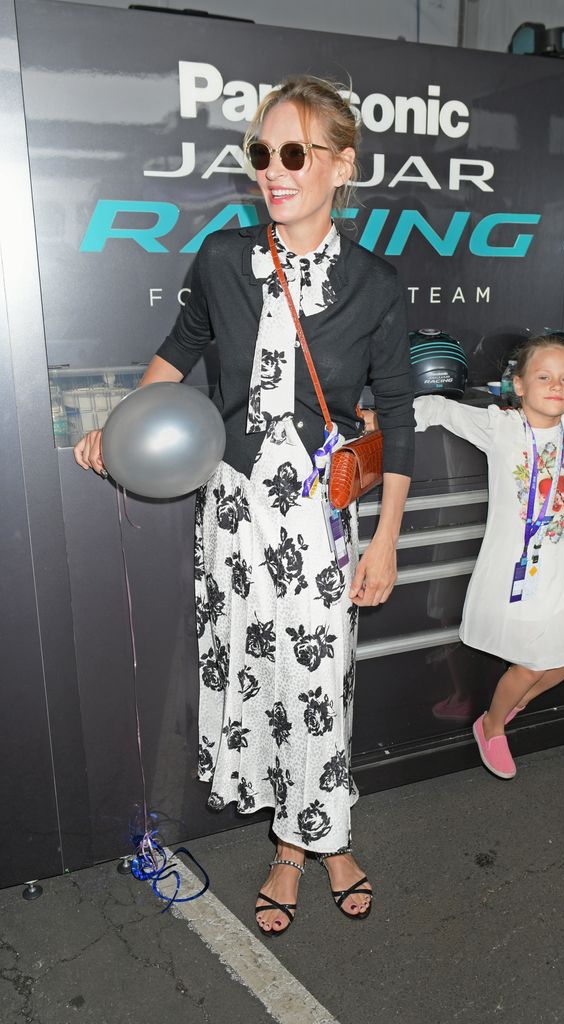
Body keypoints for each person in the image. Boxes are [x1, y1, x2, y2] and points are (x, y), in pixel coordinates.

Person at [74, 75, 414, 935]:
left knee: (317, 683)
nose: (273, 169)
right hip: (230, 511)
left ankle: (325, 837)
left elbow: (399, 419)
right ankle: (288, 845)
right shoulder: (224, 258)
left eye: (293, 152)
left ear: (341, 166)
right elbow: (177, 352)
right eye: (261, 152)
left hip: (312, 513)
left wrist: (384, 542)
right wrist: (119, 430)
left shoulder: (374, 282)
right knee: (253, 673)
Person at [414, 335, 564, 779]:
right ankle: (493, 724)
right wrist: (378, 420)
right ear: (518, 385)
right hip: (516, 569)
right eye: (544, 377)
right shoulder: (499, 426)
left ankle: (511, 703)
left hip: (560, 564)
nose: (557, 386)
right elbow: (438, 409)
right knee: (533, 661)